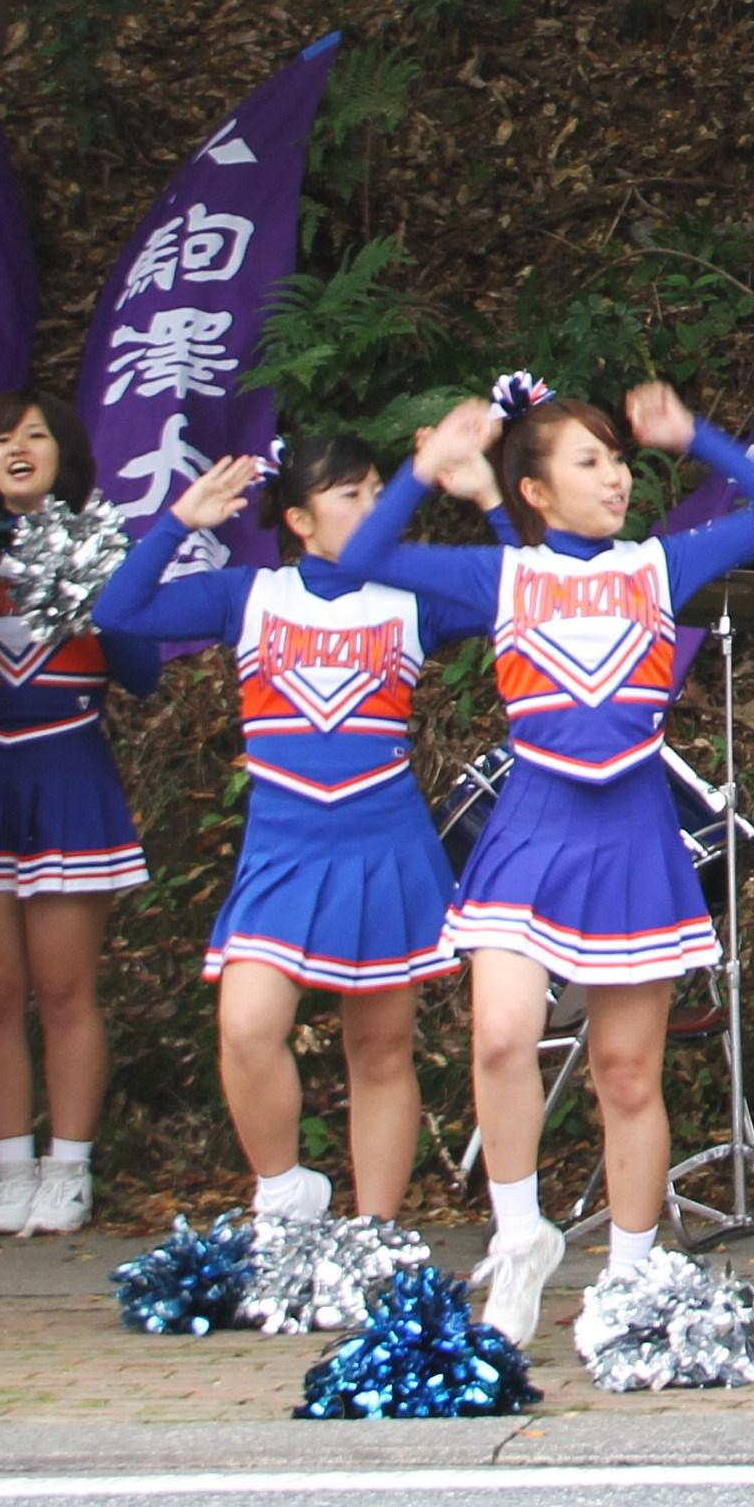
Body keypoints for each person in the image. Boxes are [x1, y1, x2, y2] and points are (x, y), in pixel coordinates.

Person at [337, 382, 754, 1344]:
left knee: (627, 1073)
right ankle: (521, 1237)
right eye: (590, 462)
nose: (616, 477)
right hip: (531, 834)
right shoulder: (503, 576)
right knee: (501, 1036)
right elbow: (362, 557)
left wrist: (693, 437)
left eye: (620, 460)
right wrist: (425, 469)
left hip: (633, 839)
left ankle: (631, 1279)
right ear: (536, 492)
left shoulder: (660, 564)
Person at [96, 435, 459, 1238]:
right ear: (299, 519)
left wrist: (476, 485)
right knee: (247, 1025)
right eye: (351, 496)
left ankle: (372, 1235)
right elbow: (117, 613)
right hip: (283, 849)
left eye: (380, 492)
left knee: (381, 1051)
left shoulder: (415, 597)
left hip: (384, 843)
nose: (373, 508)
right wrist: (178, 523)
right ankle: (286, 1193)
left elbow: (527, 592)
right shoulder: (249, 594)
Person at [0, 392, 160, 1239]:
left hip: (67, 775)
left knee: (64, 989)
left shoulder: (100, 541)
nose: (17, 447)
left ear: (65, 454)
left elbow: (141, 674)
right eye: (0, 438)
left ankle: (69, 1167)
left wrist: (101, 586)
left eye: (35, 434)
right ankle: (13, 1167)